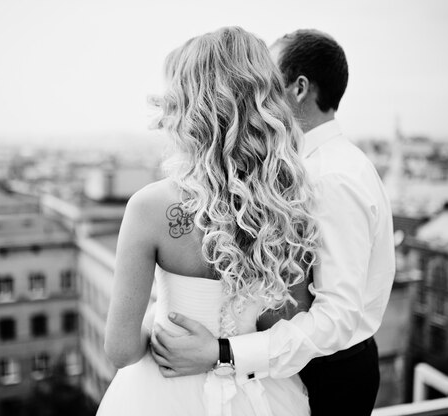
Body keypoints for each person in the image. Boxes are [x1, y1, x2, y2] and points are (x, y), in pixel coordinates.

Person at [151, 29, 396, 416]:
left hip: (328, 373)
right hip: (304, 363)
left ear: (299, 88)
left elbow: (337, 318)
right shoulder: (316, 167)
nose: (258, 92)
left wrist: (224, 353)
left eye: (268, 81)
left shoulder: (329, 178)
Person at [96, 26, 318, 416]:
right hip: (262, 392)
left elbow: (121, 349)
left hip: (164, 393)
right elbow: (284, 327)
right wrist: (225, 346)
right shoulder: (289, 203)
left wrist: (159, 319)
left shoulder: (149, 207)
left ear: (189, 108)